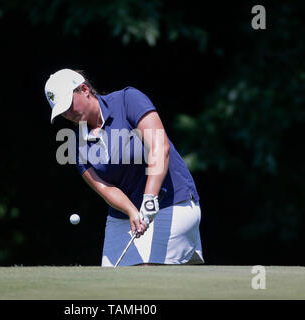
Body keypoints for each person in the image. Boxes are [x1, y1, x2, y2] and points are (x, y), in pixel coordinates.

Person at [44, 68, 204, 266]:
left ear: (84, 89)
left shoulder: (128, 100)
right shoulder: (77, 144)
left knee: (147, 275)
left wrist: (149, 198)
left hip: (170, 201)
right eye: (62, 112)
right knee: (110, 286)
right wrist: (131, 211)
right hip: (125, 216)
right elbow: (104, 187)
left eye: (68, 105)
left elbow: (159, 146)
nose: (68, 114)